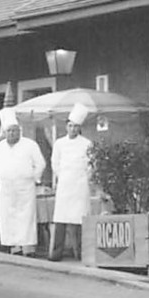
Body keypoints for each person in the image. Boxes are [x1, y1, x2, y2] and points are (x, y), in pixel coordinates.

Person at [0, 107, 46, 256]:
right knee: (7, 216)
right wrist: (4, 176)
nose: (12, 133)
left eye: (14, 130)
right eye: (9, 131)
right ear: (5, 133)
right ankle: (12, 246)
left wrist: (33, 177)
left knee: (26, 216)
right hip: (6, 187)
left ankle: (27, 247)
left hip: (25, 187)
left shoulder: (30, 145)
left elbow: (40, 164)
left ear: (19, 131)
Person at [48, 103, 93, 261]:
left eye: (76, 127)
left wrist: (83, 178)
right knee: (61, 220)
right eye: (70, 126)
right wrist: (63, 176)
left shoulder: (86, 143)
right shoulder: (59, 143)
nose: (73, 129)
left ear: (79, 128)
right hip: (65, 185)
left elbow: (91, 164)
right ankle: (56, 253)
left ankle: (81, 253)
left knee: (80, 220)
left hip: (80, 186)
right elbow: (55, 163)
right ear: (66, 127)